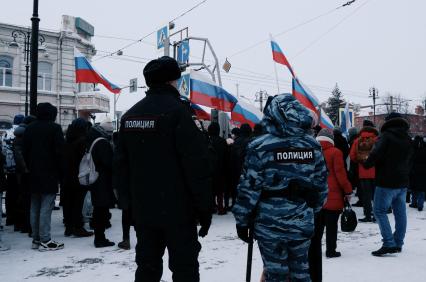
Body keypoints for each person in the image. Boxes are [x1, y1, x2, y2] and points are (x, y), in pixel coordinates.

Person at [115, 56, 213, 282]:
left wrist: (128, 205)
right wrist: (204, 209)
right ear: (172, 81)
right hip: (178, 210)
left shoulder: (130, 116)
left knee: (147, 268)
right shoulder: (179, 113)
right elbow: (196, 165)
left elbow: (120, 167)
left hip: (144, 210)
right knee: (184, 269)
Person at [232, 94, 328, 282]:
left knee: (275, 275)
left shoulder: (260, 147)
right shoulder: (313, 146)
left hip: (269, 225)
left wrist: (242, 220)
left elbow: (248, 188)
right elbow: (321, 187)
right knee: (301, 273)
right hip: (301, 221)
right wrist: (310, 211)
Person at [364, 112, 413, 256]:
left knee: (379, 211)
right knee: (400, 213)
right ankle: (398, 242)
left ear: (388, 122)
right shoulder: (407, 138)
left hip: (386, 181)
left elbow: (375, 154)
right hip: (402, 181)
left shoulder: (386, 136)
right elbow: (411, 160)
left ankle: (389, 243)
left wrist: (367, 163)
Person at [23, 103, 64, 251]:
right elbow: (60, 153)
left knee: (34, 206)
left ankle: (36, 239)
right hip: (49, 173)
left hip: (33, 173)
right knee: (46, 207)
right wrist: (61, 173)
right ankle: (45, 239)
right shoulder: (54, 128)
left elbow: (24, 151)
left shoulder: (30, 128)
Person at [316, 128, 352, 258]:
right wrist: (348, 190)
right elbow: (341, 175)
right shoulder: (335, 152)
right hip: (333, 196)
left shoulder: (312, 151)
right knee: (332, 226)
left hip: (317, 197)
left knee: (317, 227)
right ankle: (331, 250)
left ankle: (314, 250)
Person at [62, 118, 93, 238]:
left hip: (67, 175)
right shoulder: (82, 141)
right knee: (78, 202)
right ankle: (78, 227)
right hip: (79, 176)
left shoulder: (67, 140)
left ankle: (69, 227)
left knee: (68, 202)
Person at [87, 124, 115, 248]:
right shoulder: (102, 143)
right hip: (102, 180)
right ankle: (100, 238)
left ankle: (99, 236)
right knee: (101, 209)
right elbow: (108, 162)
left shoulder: (93, 141)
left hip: (96, 180)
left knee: (99, 208)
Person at [350, 120, 378, 222]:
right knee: (376, 195)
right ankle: (376, 215)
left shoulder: (358, 140)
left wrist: (360, 161)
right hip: (376, 172)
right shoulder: (377, 139)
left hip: (363, 171)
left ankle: (367, 215)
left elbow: (352, 156)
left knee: (366, 195)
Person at [207, 122, 228, 215]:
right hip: (221, 168)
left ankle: (212, 207)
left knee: (210, 189)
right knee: (220, 191)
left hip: (209, 169)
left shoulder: (207, 140)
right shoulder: (222, 141)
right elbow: (227, 156)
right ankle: (220, 208)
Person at [409, 136, 426, 211]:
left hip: (413, 169)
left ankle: (414, 203)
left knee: (414, 188)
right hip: (423, 170)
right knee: (421, 188)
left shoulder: (412, 146)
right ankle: (420, 204)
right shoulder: (425, 147)